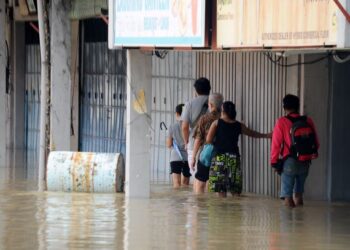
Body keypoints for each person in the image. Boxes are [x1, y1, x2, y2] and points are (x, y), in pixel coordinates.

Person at [206, 101, 271, 197]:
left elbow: (208, 140)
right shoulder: (239, 125)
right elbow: (252, 133)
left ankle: (221, 212)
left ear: (223, 111)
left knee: (220, 191)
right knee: (235, 190)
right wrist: (266, 135)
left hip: (219, 158)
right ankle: (235, 211)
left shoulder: (216, 123)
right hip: (233, 158)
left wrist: (217, 143)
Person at [271, 94, 319, 207]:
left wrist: (274, 161)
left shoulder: (281, 122)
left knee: (288, 197)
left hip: (289, 162)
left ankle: (289, 224)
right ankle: (300, 221)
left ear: (284, 107)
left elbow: (276, 144)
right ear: (298, 106)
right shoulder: (308, 120)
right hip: (305, 161)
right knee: (299, 195)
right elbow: (316, 142)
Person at [190, 93, 223, 194]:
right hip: (220, 156)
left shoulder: (204, 119)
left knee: (200, 183)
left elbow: (198, 139)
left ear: (211, 105)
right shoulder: (224, 119)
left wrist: (193, 157)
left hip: (205, 155)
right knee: (216, 185)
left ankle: (200, 206)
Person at [182, 77, 211, 174]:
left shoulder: (189, 104)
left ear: (196, 90)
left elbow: (184, 127)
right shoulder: (216, 103)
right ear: (209, 89)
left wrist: (186, 142)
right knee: (211, 177)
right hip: (212, 143)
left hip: (193, 143)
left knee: (197, 178)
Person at [166, 104, 191, 188]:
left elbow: (169, 144)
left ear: (177, 113)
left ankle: (177, 201)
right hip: (187, 157)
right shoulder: (190, 126)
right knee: (186, 184)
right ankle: (186, 201)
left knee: (176, 184)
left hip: (175, 157)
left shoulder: (172, 126)